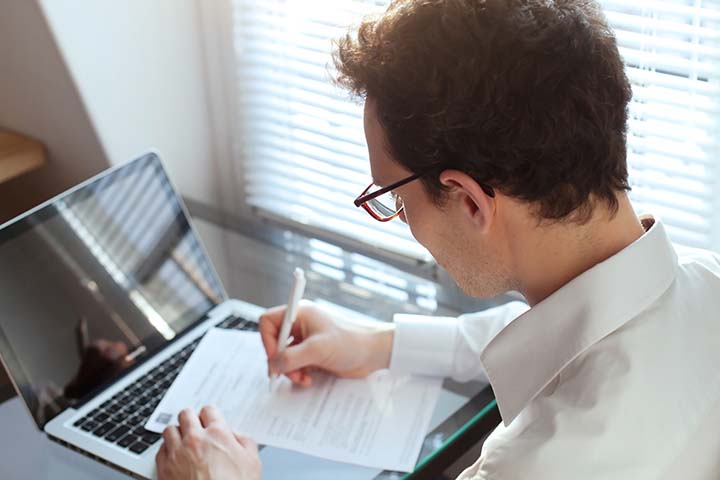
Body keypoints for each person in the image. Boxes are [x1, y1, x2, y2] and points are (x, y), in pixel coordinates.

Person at [155, 0, 720, 478]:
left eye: (396, 199)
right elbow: (569, 328)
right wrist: (378, 345)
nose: (402, 219)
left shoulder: (535, 464)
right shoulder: (704, 280)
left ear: (470, 199)